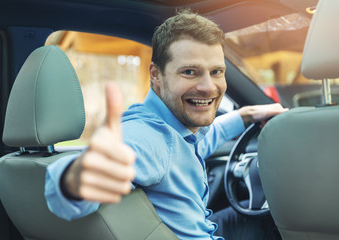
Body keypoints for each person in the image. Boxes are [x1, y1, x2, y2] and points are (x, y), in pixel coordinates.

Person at [45, 9, 287, 239]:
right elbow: (72, 189)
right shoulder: (149, 136)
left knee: (252, 217)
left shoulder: (173, 130)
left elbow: (202, 140)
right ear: (155, 74)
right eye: (190, 72)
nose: (208, 87)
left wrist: (245, 115)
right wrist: (76, 179)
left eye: (216, 71)